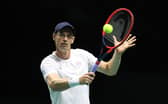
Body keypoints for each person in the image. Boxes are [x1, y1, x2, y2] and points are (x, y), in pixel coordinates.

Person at [40, 21, 136, 104]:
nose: (65, 39)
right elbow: (54, 84)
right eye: (61, 35)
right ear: (54, 36)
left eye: (69, 36)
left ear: (72, 40)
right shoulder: (49, 62)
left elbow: (110, 70)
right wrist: (79, 81)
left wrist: (118, 54)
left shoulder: (83, 55)